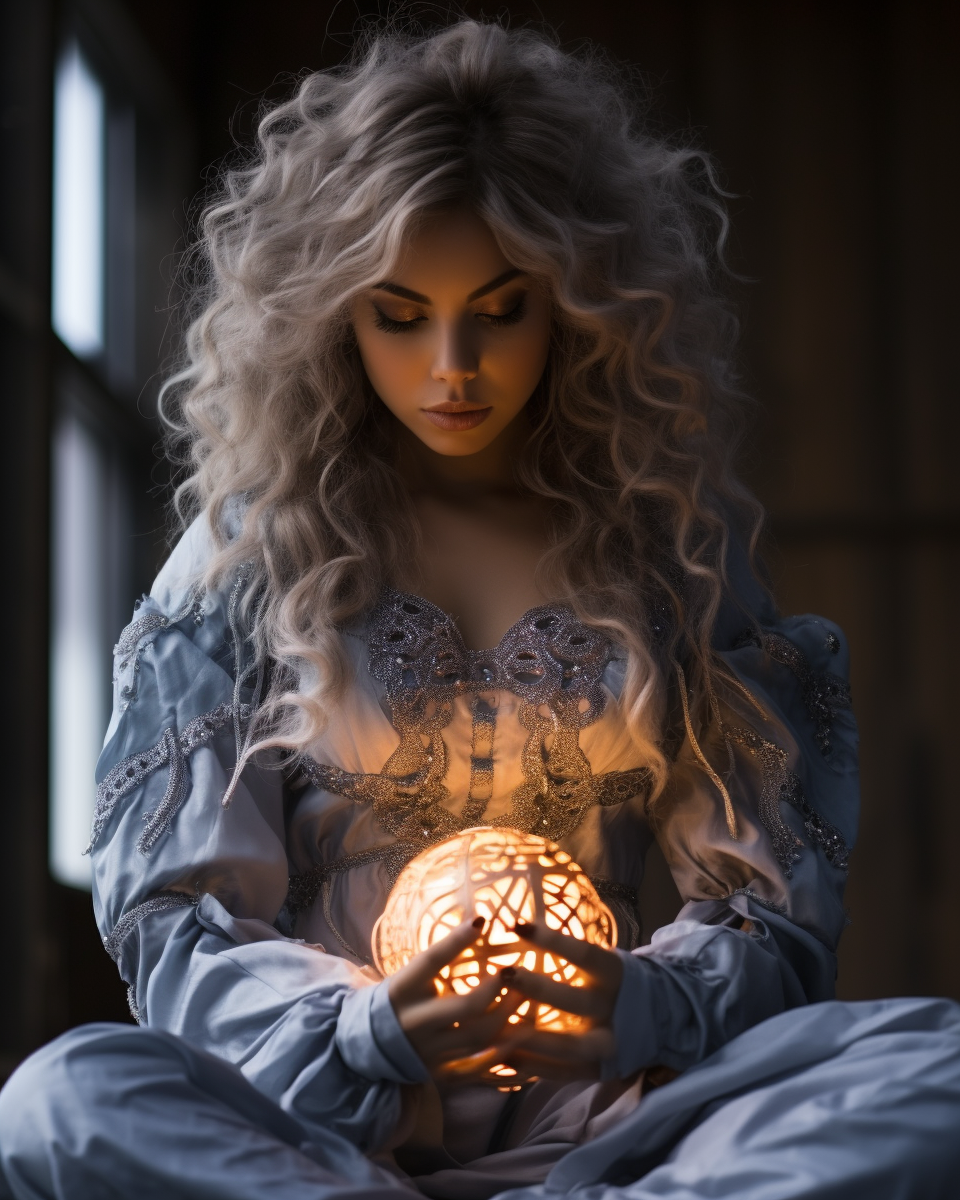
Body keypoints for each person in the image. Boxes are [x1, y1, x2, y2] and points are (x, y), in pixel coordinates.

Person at [1, 18, 958, 1200]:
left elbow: (772, 910)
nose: (452, 364)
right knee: (61, 1098)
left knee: (938, 1069)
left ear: (576, 302)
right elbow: (176, 919)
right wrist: (363, 1038)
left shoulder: (669, 553)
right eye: (400, 315)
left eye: (499, 310)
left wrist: (644, 1004)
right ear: (333, 315)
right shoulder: (252, 555)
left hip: (610, 1113)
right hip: (316, 1124)